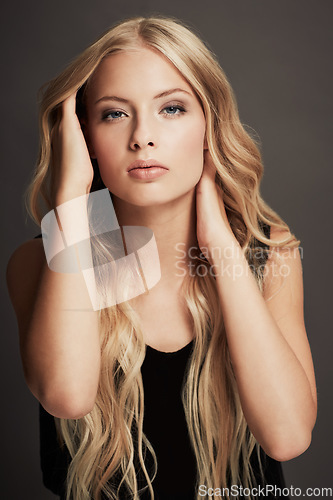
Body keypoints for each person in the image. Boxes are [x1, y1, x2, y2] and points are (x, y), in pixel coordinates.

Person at [6, 15, 317, 500]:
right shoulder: (39, 262)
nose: (142, 137)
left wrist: (219, 247)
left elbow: (289, 436)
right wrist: (71, 200)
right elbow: (67, 396)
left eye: (171, 109)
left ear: (209, 125)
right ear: (83, 135)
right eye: (114, 113)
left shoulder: (270, 254)